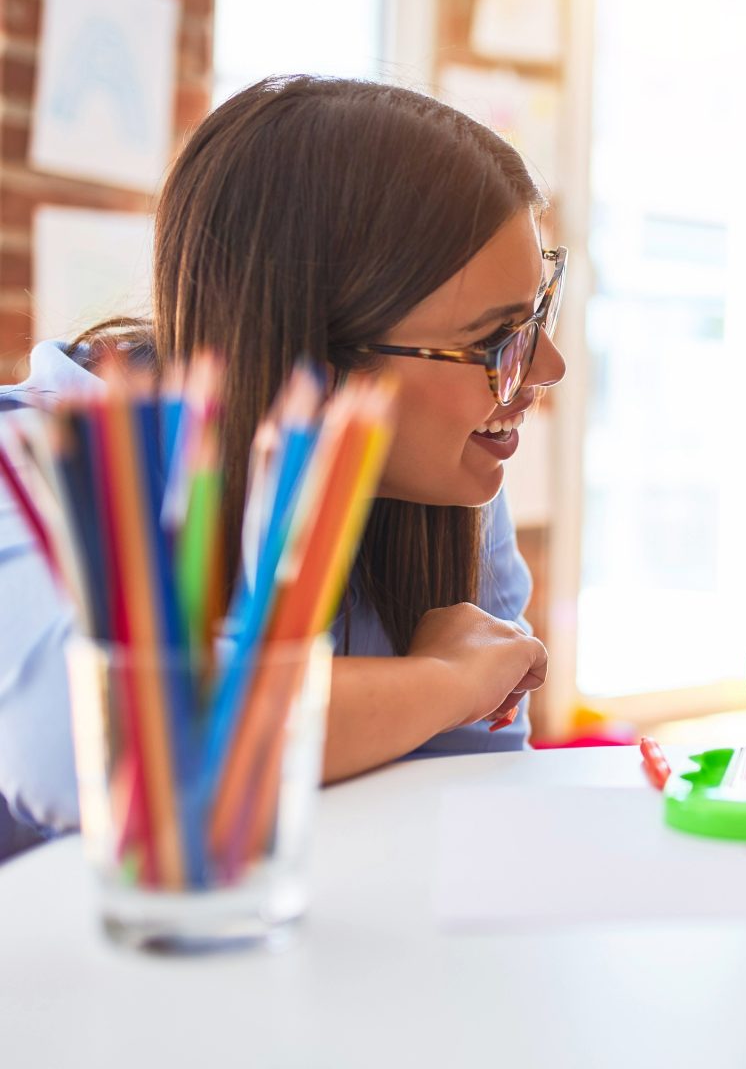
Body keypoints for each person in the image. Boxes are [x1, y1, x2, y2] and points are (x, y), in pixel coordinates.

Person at [0, 75, 566, 860]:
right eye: (495, 340)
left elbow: (467, 806)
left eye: (538, 314)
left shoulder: (441, 477)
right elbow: (99, 750)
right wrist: (444, 682)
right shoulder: (33, 463)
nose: (549, 366)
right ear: (318, 353)